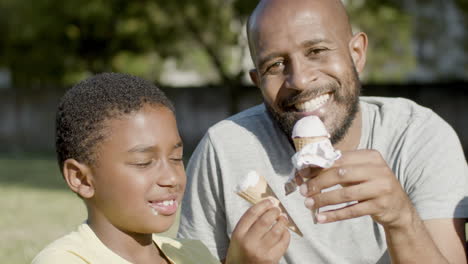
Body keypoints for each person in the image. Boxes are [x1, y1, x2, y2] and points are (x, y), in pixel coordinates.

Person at [177, 0, 468, 263]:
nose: (300, 80)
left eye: (316, 51)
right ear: (257, 81)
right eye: (275, 65)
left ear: (356, 53)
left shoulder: (417, 136)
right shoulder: (224, 150)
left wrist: (401, 219)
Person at [32, 73, 288, 264]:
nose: (172, 178)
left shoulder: (193, 255)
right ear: (81, 179)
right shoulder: (63, 260)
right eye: (144, 162)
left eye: (176, 158)